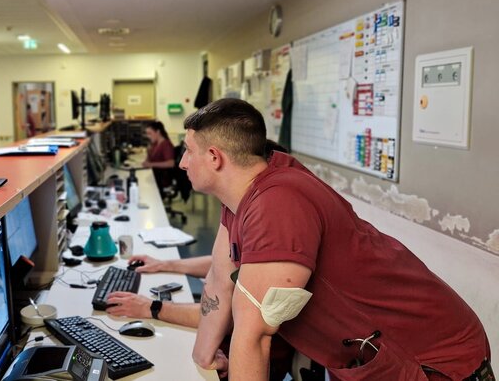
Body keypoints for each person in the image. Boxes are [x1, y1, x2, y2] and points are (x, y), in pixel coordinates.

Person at [182, 98, 490, 380]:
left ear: (214, 157)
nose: (183, 162)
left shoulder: (277, 203)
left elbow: (255, 333)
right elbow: (219, 278)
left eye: (188, 150)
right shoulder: (240, 197)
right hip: (375, 354)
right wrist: (204, 354)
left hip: (433, 358)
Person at [106, 255, 296, 380]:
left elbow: (226, 316)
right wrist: (164, 264)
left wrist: (153, 307)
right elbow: (224, 263)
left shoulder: (266, 218)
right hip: (225, 343)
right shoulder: (239, 212)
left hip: (252, 360)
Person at [141, 121, 175, 191]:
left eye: (150, 133)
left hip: (162, 179)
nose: (148, 136)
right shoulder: (155, 144)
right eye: (147, 134)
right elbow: (149, 159)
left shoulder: (166, 144)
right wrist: (149, 151)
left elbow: (171, 163)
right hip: (155, 175)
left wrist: (150, 164)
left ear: (158, 132)